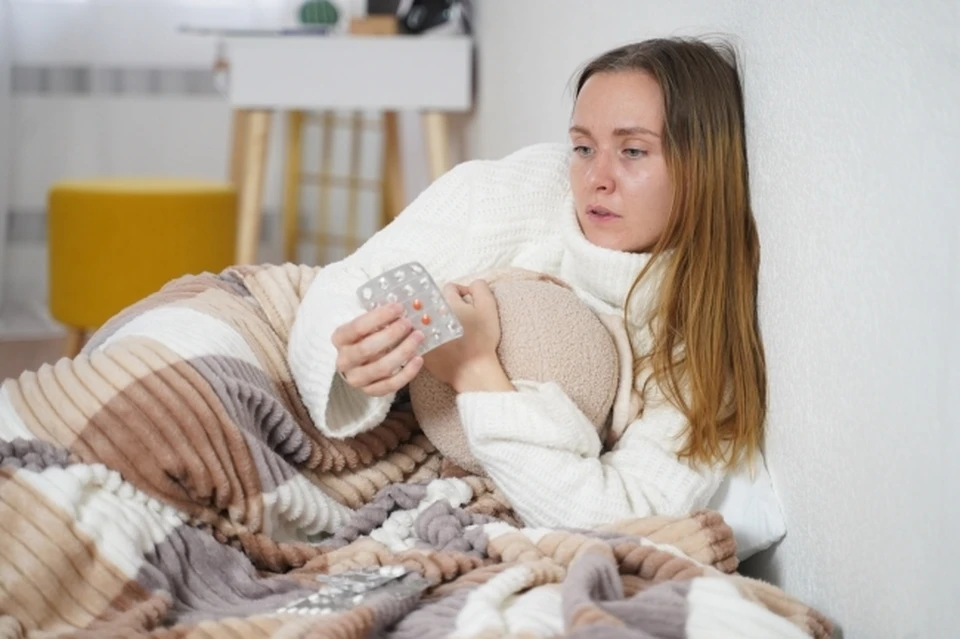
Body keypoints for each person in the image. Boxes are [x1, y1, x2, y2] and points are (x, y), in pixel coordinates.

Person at [287, 37, 767, 529]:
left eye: (633, 151)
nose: (595, 178)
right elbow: (350, 279)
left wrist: (475, 370)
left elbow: (614, 517)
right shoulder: (528, 190)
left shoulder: (698, 348)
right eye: (583, 146)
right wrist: (353, 355)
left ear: (705, 168)